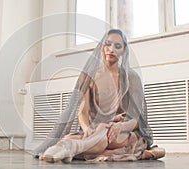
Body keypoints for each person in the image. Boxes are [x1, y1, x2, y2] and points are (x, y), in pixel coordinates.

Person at [34, 29, 165, 163]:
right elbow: (83, 112)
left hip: (120, 132)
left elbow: (137, 119)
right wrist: (87, 130)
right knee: (80, 135)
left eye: (117, 46)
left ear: (124, 51)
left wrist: (121, 126)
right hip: (94, 129)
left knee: (108, 135)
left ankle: (70, 148)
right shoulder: (88, 77)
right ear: (101, 47)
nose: (111, 49)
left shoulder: (132, 78)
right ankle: (73, 145)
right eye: (108, 44)